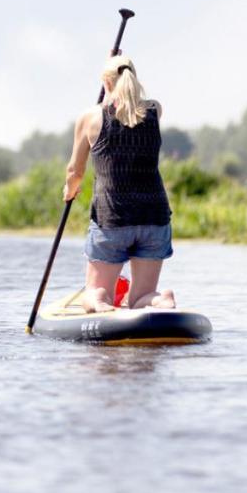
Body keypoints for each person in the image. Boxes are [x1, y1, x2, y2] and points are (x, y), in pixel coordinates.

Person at [63, 56, 175, 312]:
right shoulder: (155, 110)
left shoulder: (90, 117)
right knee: (140, 298)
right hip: (154, 218)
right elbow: (128, 109)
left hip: (111, 220)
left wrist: (70, 191)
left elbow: (75, 171)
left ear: (105, 82)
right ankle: (159, 299)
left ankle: (100, 302)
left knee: (94, 292)